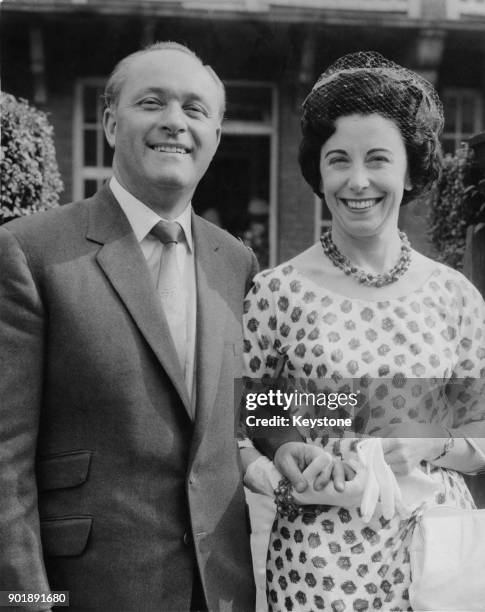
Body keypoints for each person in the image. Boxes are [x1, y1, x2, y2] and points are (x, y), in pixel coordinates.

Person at [0, 41, 257, 611]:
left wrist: (421, 419)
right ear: (112, 123)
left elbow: (258, 407)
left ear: (215, 135)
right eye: (153, 102)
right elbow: (4, 454)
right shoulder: (30, 251)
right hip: (89, 593)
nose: (175, 122)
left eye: (195, 110)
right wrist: (21, 602)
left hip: (220, 593)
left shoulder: (236, 263)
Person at [241, 52, 485, 611]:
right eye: (338, 161)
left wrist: (431, 441)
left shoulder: (455, 297)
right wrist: (291, 450)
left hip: (436, 555)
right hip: (316, 562)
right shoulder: (279, 291)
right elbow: (249, 419)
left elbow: (480, 429)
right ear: (318, 171)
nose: (358, 181)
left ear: (410, 168)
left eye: (378, 159)